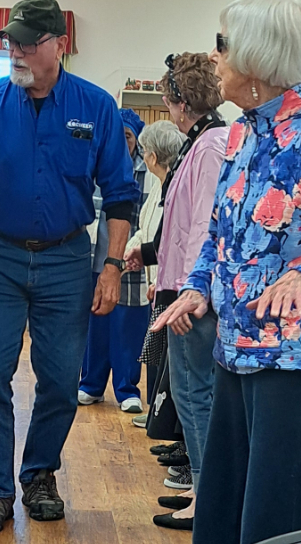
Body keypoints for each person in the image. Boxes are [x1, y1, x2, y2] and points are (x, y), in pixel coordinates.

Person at [153, 0, 301, 544]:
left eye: (222, 44)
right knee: (219, 512)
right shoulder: (239, 132)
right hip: (233, 352)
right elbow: (219, 234)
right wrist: (197, 288)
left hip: (293, 361)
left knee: (271, 520)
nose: (213, 57)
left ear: (258, 55)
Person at [0, 0, 140, 534]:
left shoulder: (95, 106)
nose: (17, 51)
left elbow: (120, 195)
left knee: (58, 380)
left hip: (67, 259)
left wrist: (112, 266)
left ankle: (39, 474)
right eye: (12, 41)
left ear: (59, 45)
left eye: (30, 42)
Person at [125, 52, 228, 528]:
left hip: (194, 296)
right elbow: (177, 225)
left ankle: (208, 499)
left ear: (181, 102)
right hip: (181, 286)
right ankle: (201, 489)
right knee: (188, 395)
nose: (167, 107)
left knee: (196, 395)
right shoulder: (198, 142)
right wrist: (151, 256)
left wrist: (191, 291)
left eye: (168, 100)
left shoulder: (210, 146)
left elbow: (205, 226)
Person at [78, 108, 151, 414]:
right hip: (95, 258)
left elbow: (148, 219)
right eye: (117, 135)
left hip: (130, 261)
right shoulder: (93, 163)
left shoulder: (146, 171)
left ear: (137, 140)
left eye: (128, 136)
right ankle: (90, 385)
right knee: (95, 325)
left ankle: (127, 389)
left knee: (128, 328)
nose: (122, 142)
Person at [125, 120, 184, 424]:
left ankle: (163, 420)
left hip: (169, 287)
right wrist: (132, 250)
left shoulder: (175, 188)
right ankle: (155, 414)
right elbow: (145, 230)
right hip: (156, 284)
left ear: (153, 156)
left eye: (146, 150)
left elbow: (171, 243)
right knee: (157, 353)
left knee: (166, 357)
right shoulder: (158, 187)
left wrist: (160, 279)